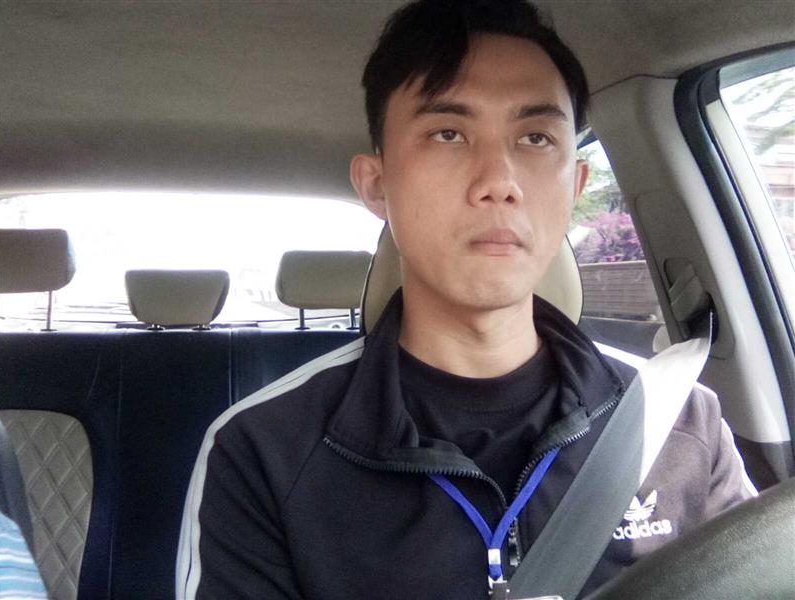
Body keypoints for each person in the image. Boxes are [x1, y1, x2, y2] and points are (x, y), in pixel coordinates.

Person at [177, 1, 756, 598]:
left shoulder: (678, 419)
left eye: (535, 138)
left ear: (575, 186)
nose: (499, 182)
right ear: (377, 185)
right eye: (448, 134)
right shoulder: (262, 452)